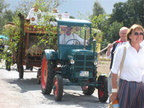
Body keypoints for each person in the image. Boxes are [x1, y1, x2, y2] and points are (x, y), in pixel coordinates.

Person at [110, 24, 144, 108]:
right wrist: (114, 92)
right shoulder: (122, 49)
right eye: (136, 33)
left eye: (141, 33)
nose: (139, 36)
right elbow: (114, 72)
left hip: (141, 87)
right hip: (125, 87)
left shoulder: (143, 50)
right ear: (130, 36)